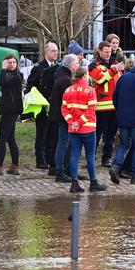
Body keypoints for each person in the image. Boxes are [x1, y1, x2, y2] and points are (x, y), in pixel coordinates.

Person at [61, 67, 107, 193]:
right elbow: (91, 110)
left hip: (73, 129)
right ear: (85, 75)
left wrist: (72, 122)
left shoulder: (68, 90)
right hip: (88, 128)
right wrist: (80, 122)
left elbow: (64, 109)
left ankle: (74, 183)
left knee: (74, 155)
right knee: (90, 156)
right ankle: (93, 182)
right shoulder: (90, 90)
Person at [109, 57, 135, 185]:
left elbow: (114, 98)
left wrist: (120, 111)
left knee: (124, 144)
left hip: (122, 118)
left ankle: (116, 167)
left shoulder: (123, 78)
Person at [0, 54, 23, 176]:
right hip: (8, 110)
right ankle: (14, 166)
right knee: (10, 138)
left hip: (11, 111)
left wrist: (2, 69)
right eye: (9, 62)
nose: (12, 64)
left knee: (1, 138)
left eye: (13, 62)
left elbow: (2, 82)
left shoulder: (17, 76)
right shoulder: (10, 75)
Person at [89, 41, 124, 167]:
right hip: (101, 107)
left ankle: (106, 158)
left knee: (111, 135)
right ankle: (91, 158)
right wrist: (114, 70)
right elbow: (100, 79)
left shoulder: (115, 64)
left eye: (110, 52)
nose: (108, 54)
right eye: (106, 52)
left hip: (115, 107)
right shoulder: (93, 65)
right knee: (97, 134)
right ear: (99, 51)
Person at [25, 41, 59, 169]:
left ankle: (50, 158)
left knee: (52, 133)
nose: (56, 53)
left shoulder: (56, 66)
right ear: (46, 52)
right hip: (42, 105)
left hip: (53, 105)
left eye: (56, 51)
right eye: (53, 51)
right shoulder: (39, 67)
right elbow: (30, 85)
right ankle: (40, 159)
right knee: (42, 133)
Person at [50, 54, 80, 183]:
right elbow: (69, 101)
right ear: (71, 65)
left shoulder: (61, 76)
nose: (78, 66)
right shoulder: (66, 80)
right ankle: (60, 171)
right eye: (77, 64)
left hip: (60, 115)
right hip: (64, 117)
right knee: (63, 143)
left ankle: (67, 169)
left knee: (66, 143)